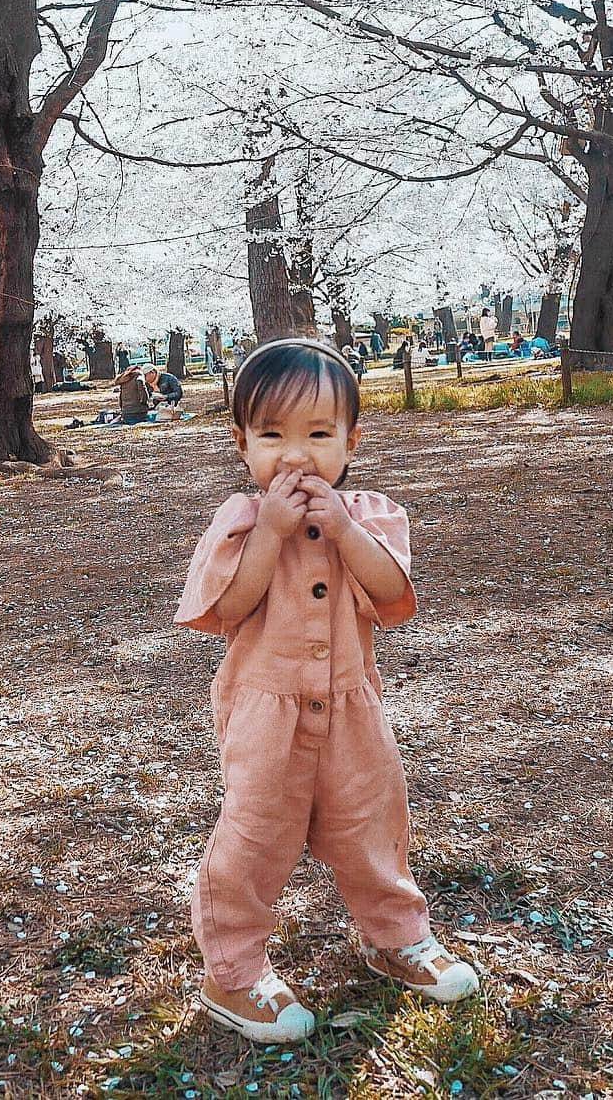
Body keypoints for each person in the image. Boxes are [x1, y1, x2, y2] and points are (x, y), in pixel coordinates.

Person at [173, 339, 478, 1043]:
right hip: (263, 708)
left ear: (350, 442)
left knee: (370, 820)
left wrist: (340, 527)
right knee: (256, 835)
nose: (296, 454)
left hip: (350, 706)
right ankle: (234, 972)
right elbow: (229, 609)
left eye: (318, 434)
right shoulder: (241, 522)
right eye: (273, 435)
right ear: (241, 443)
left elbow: (392, 593)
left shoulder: (371, 517)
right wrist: (272, 535)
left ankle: (395, 936)